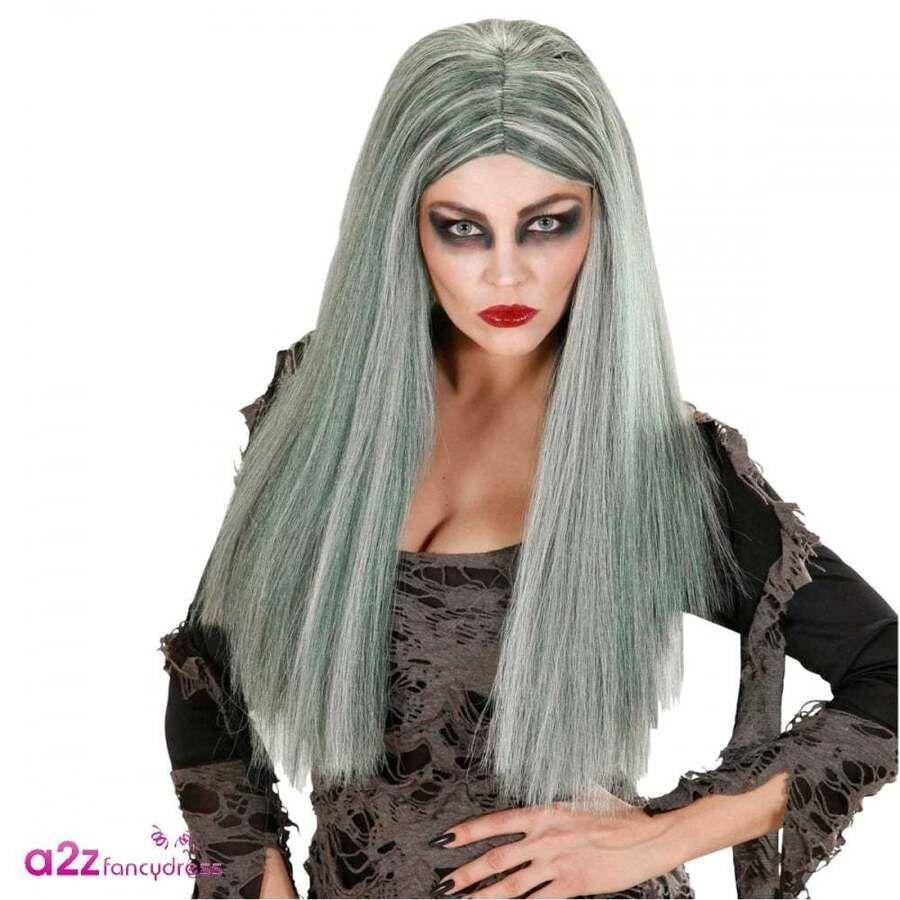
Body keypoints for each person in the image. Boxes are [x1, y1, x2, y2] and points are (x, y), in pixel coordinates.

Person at [158, 18, 897, 900]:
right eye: (462, 228)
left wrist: (661, 836)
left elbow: (886, 671)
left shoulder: (656, 466)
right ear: (402, 226)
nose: (506, 276)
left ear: (602, 221)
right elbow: (207, 669)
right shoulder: (322, 413)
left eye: (546, 224)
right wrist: (257, 880)